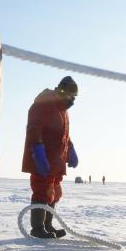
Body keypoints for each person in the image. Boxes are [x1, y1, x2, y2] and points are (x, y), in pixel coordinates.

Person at [22, 76, 79, 238]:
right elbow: (34, 128)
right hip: (43, 158)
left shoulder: (62, 110)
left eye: (74, 96)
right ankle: (37, 228)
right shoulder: (44, 104)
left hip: (57, 160)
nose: (72, 99)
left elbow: (63, 134)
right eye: (70, 94)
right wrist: (37, 150)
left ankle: (48, 224)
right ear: (61, 91)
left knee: (55, 192)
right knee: (42, 190)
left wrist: (71, 149)